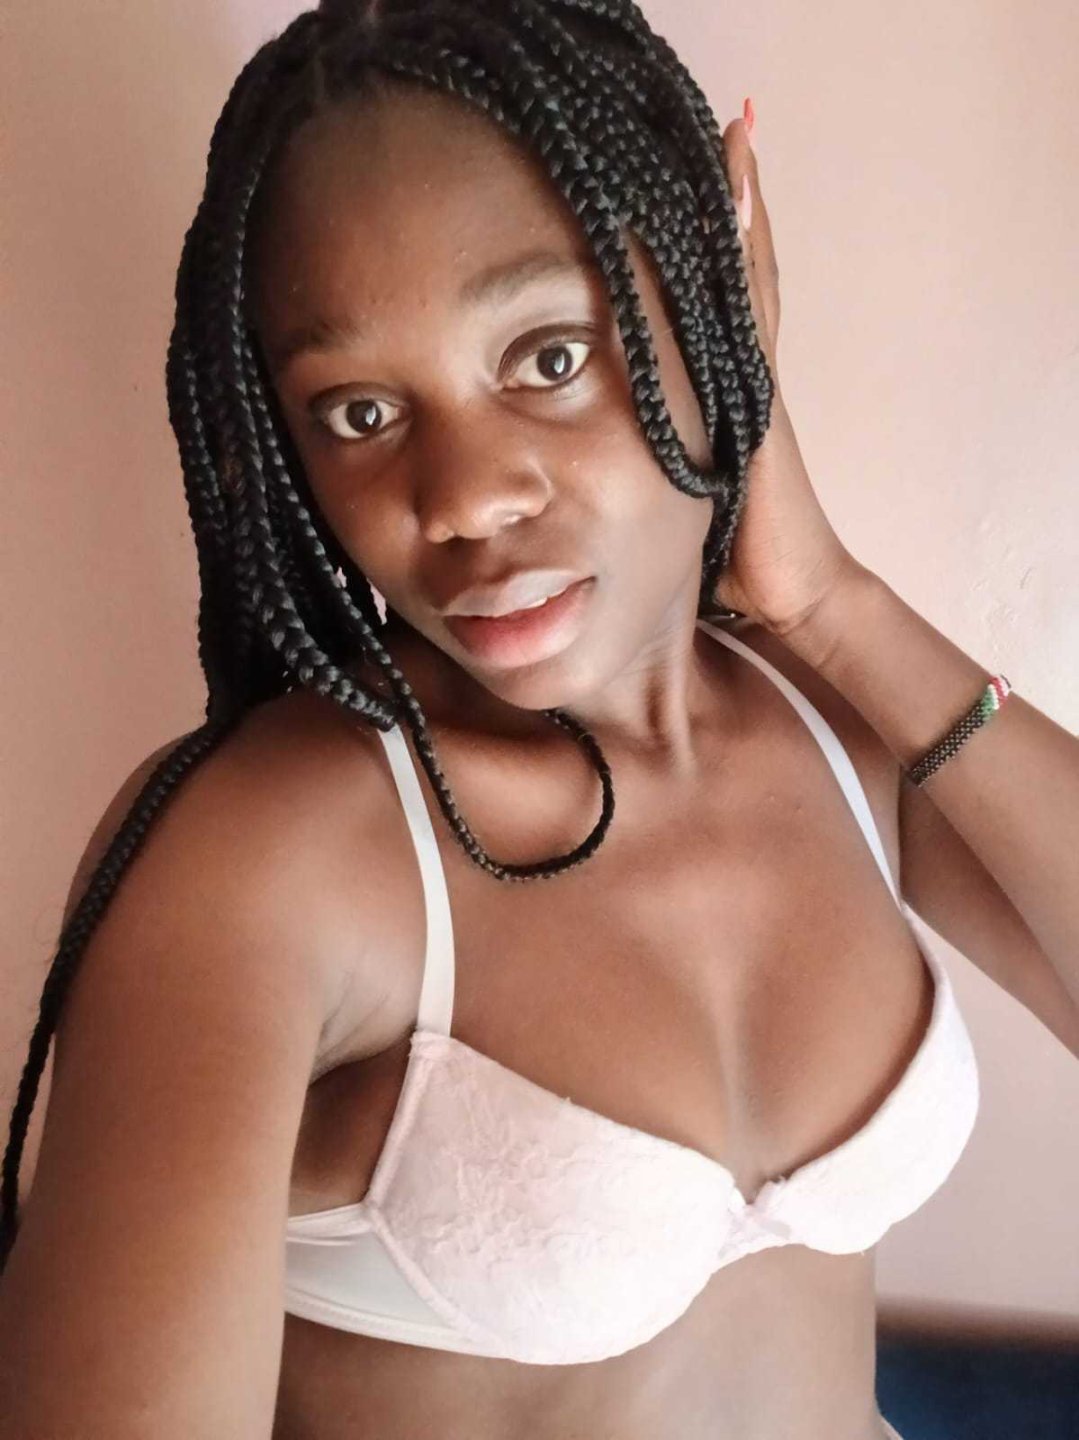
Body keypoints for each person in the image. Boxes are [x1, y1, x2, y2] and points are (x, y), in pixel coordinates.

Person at [2, 2, 1077, 1436]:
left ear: (713, 297)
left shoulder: (832, 723)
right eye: (361, 413)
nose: (463, 498)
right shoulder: (265, 858)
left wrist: (827, 597)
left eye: (548, 357)